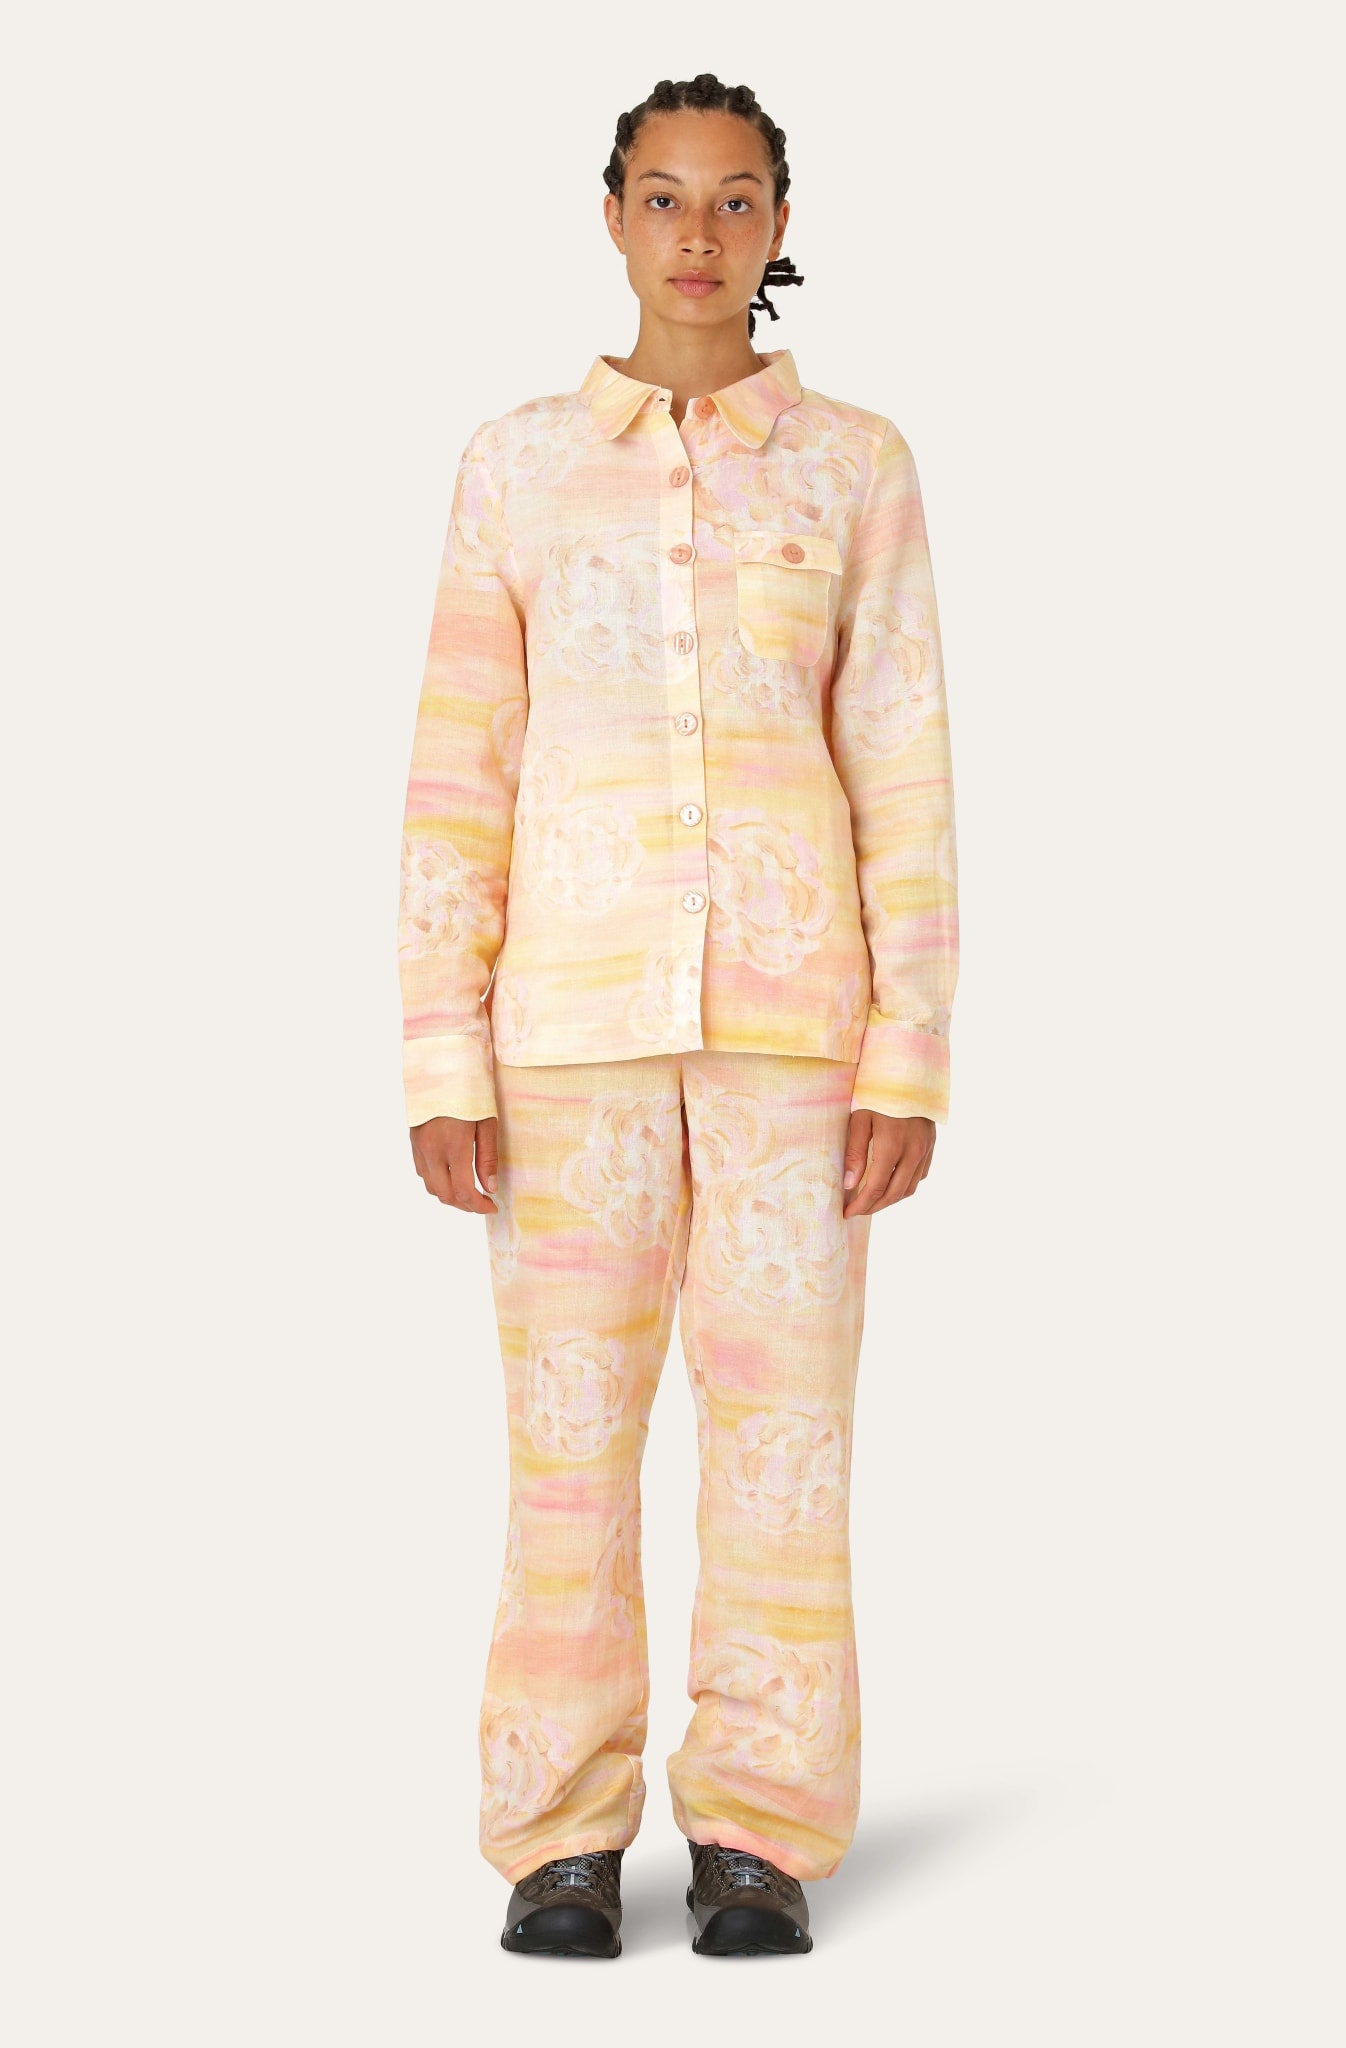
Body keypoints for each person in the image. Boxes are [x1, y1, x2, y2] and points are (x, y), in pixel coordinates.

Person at [397, 72, 959, 1959]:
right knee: (567, 1453)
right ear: (613, 217)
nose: (697, 234)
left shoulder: (855, 467)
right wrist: (439, 1048)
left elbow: (901, 764)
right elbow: (459, 767)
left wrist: (908, 1051)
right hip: (564, 1036)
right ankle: (557, 1839)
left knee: (784, 1444)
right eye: (663, 196)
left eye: (734, 199)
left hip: (797, 1041)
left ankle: (759, 1834)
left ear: (780, 224)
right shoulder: (514, 467)